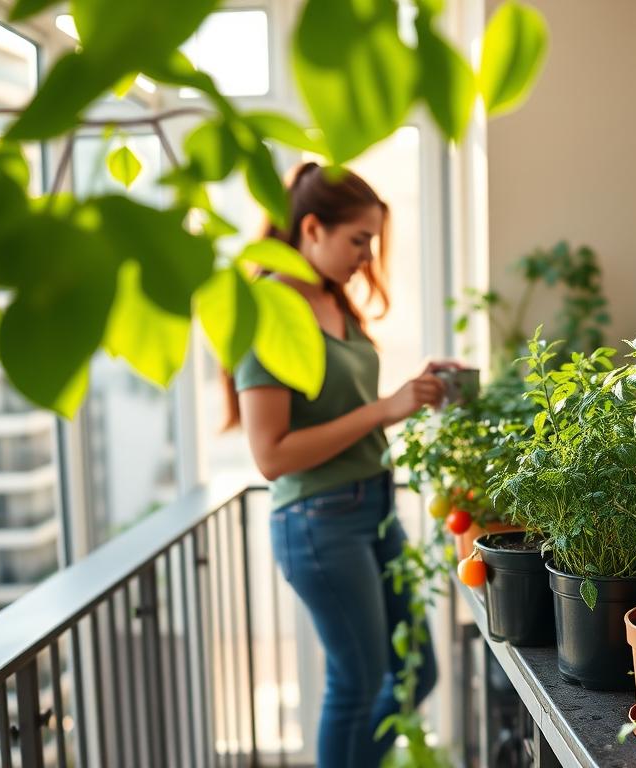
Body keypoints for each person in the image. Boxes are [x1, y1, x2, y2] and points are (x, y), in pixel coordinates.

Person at [227, 161, 443, 767]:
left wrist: (412, 394)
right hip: (319, 522)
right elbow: (270, 456)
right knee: (356, 685)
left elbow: (347, 403)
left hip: (372, 509)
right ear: (312, 229)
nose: (367, 256)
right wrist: (384, 410)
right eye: (358, 240)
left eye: (371, 241)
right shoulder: (270, 310)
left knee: (416, 671)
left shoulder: (331, 298)